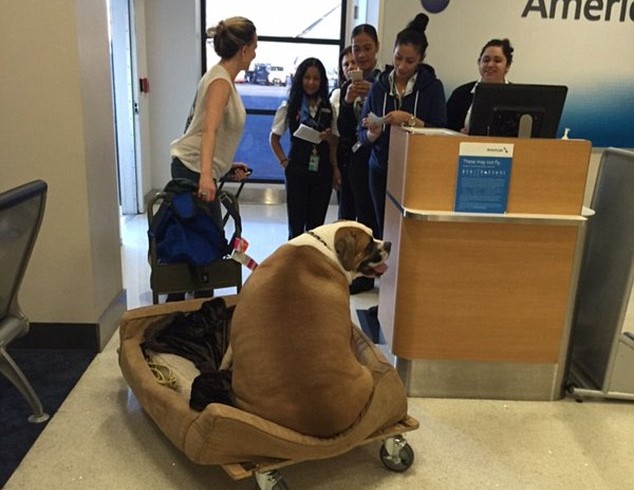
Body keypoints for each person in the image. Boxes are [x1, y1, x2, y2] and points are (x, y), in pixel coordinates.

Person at [168, 16, 255, 301]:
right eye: (254, 47)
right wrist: (207, 174)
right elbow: (208, 130)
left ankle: (189, 314)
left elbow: (209, 130)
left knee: (199, 248)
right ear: (243, 49)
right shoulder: (220, 81)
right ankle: (191, 316)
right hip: (193, 170)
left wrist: (224, 167)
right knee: (202, 250)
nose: (255, 53)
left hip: (197, 167)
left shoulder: (221, 77)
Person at [358, 13, 447, 238]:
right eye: (398, 58)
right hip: (380, 169)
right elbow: (360, 135)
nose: (402, 66)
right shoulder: (378, 87)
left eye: (409, 61)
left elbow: (441, 132)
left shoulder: (432, 88)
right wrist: (372, 134)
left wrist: (410, 119)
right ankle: (383, 273)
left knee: (410, 234)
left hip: (416, 172)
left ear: (421, 59)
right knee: (381, 230)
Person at [269, 57, 341, 240]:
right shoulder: (290, 106)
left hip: (322, 170)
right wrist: (284, 162)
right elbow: (274, 138)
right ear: (300, 79)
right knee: (296, 224)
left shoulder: (329, 107)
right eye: (307, 77)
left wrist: (334, 168)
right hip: (297, 170)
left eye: (316, 78)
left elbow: (335, 141)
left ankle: (311, 262)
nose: (311, 82)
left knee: (316, 226)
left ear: (322, 81)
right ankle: (294, 263)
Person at [337, 24, 383, 294]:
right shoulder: (347, 86)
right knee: (346, 215)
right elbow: (343, 130)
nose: (362, 55)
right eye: (357, 49)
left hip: (374, 158)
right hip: (351, 158)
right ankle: (347, 268)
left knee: (368, 217)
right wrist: (346, 101)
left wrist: (372, 95)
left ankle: (367, 273)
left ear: (376, 48)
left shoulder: (384, 83)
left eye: (367, 48)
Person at [446, 38, 514, 133]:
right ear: (479, 63)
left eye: (497, 60)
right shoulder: (461, 94)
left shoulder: (517, 97)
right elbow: (445, 128)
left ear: (508, 66)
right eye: (486, 60)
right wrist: (459, 133)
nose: (490, 64)